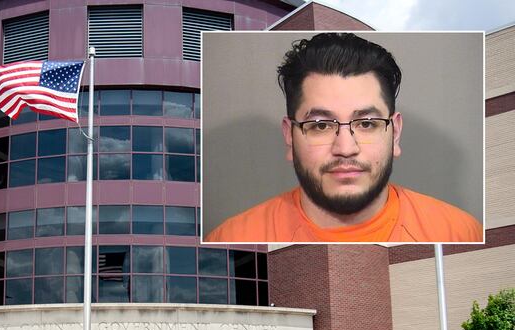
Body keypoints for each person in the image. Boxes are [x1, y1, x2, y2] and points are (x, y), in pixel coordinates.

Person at [205, 33, 483, 243]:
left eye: (366, 123)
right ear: (290, 137)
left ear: (395, 133)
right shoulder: (231, 236)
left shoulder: (460, 231)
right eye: (321, 126)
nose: (346, 148)